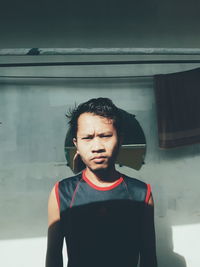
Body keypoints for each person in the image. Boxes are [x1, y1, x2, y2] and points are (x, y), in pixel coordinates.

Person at [46, 97, 157, 267]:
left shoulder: (141, 193)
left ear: (120, 140)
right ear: (76, 143)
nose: (97, 146)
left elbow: (149, 258)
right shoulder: (62, 192)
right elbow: (54, 257)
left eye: (105, 136)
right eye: (87, 138)